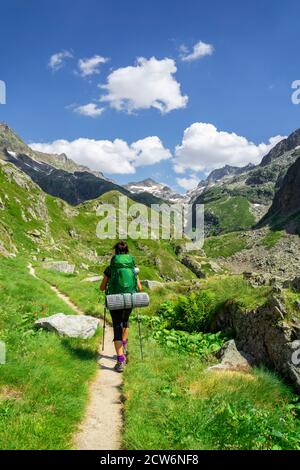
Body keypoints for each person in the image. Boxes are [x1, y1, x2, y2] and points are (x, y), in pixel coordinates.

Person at [100, 240, 142, 372]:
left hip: (115, 300)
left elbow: (102, 288)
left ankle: (120, 360)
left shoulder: (110, 269)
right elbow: (139, 288)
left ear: (116, 252)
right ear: (127, 252)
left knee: (117, 325)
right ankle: (124, 345)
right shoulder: (133, 268)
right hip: (129, 300)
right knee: (126, 321)